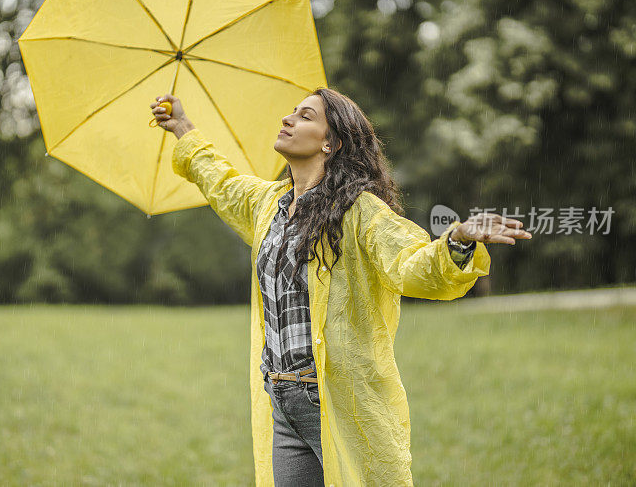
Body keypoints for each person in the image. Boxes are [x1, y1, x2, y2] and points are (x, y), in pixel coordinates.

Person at [149, 88, 531, 486]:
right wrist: (182, 128)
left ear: (330, 143)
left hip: (335, 400)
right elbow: (221, 182)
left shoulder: (359, 211)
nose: (288, 119)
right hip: (282, 400)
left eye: (305, 116)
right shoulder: (268, 205)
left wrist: (458, 241)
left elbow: (411, 264)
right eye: (292, 112)